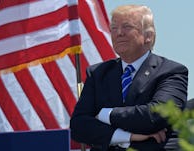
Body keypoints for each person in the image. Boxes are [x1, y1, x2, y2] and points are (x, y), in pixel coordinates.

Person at [70, 4, 188, 151]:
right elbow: (78, 126)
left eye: (127, 27)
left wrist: (105, 114)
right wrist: (128, 137)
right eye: (114, 28)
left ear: (148, 36)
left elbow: (158, 114)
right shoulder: (97, 73)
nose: (118, 33)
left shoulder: (171, 71)